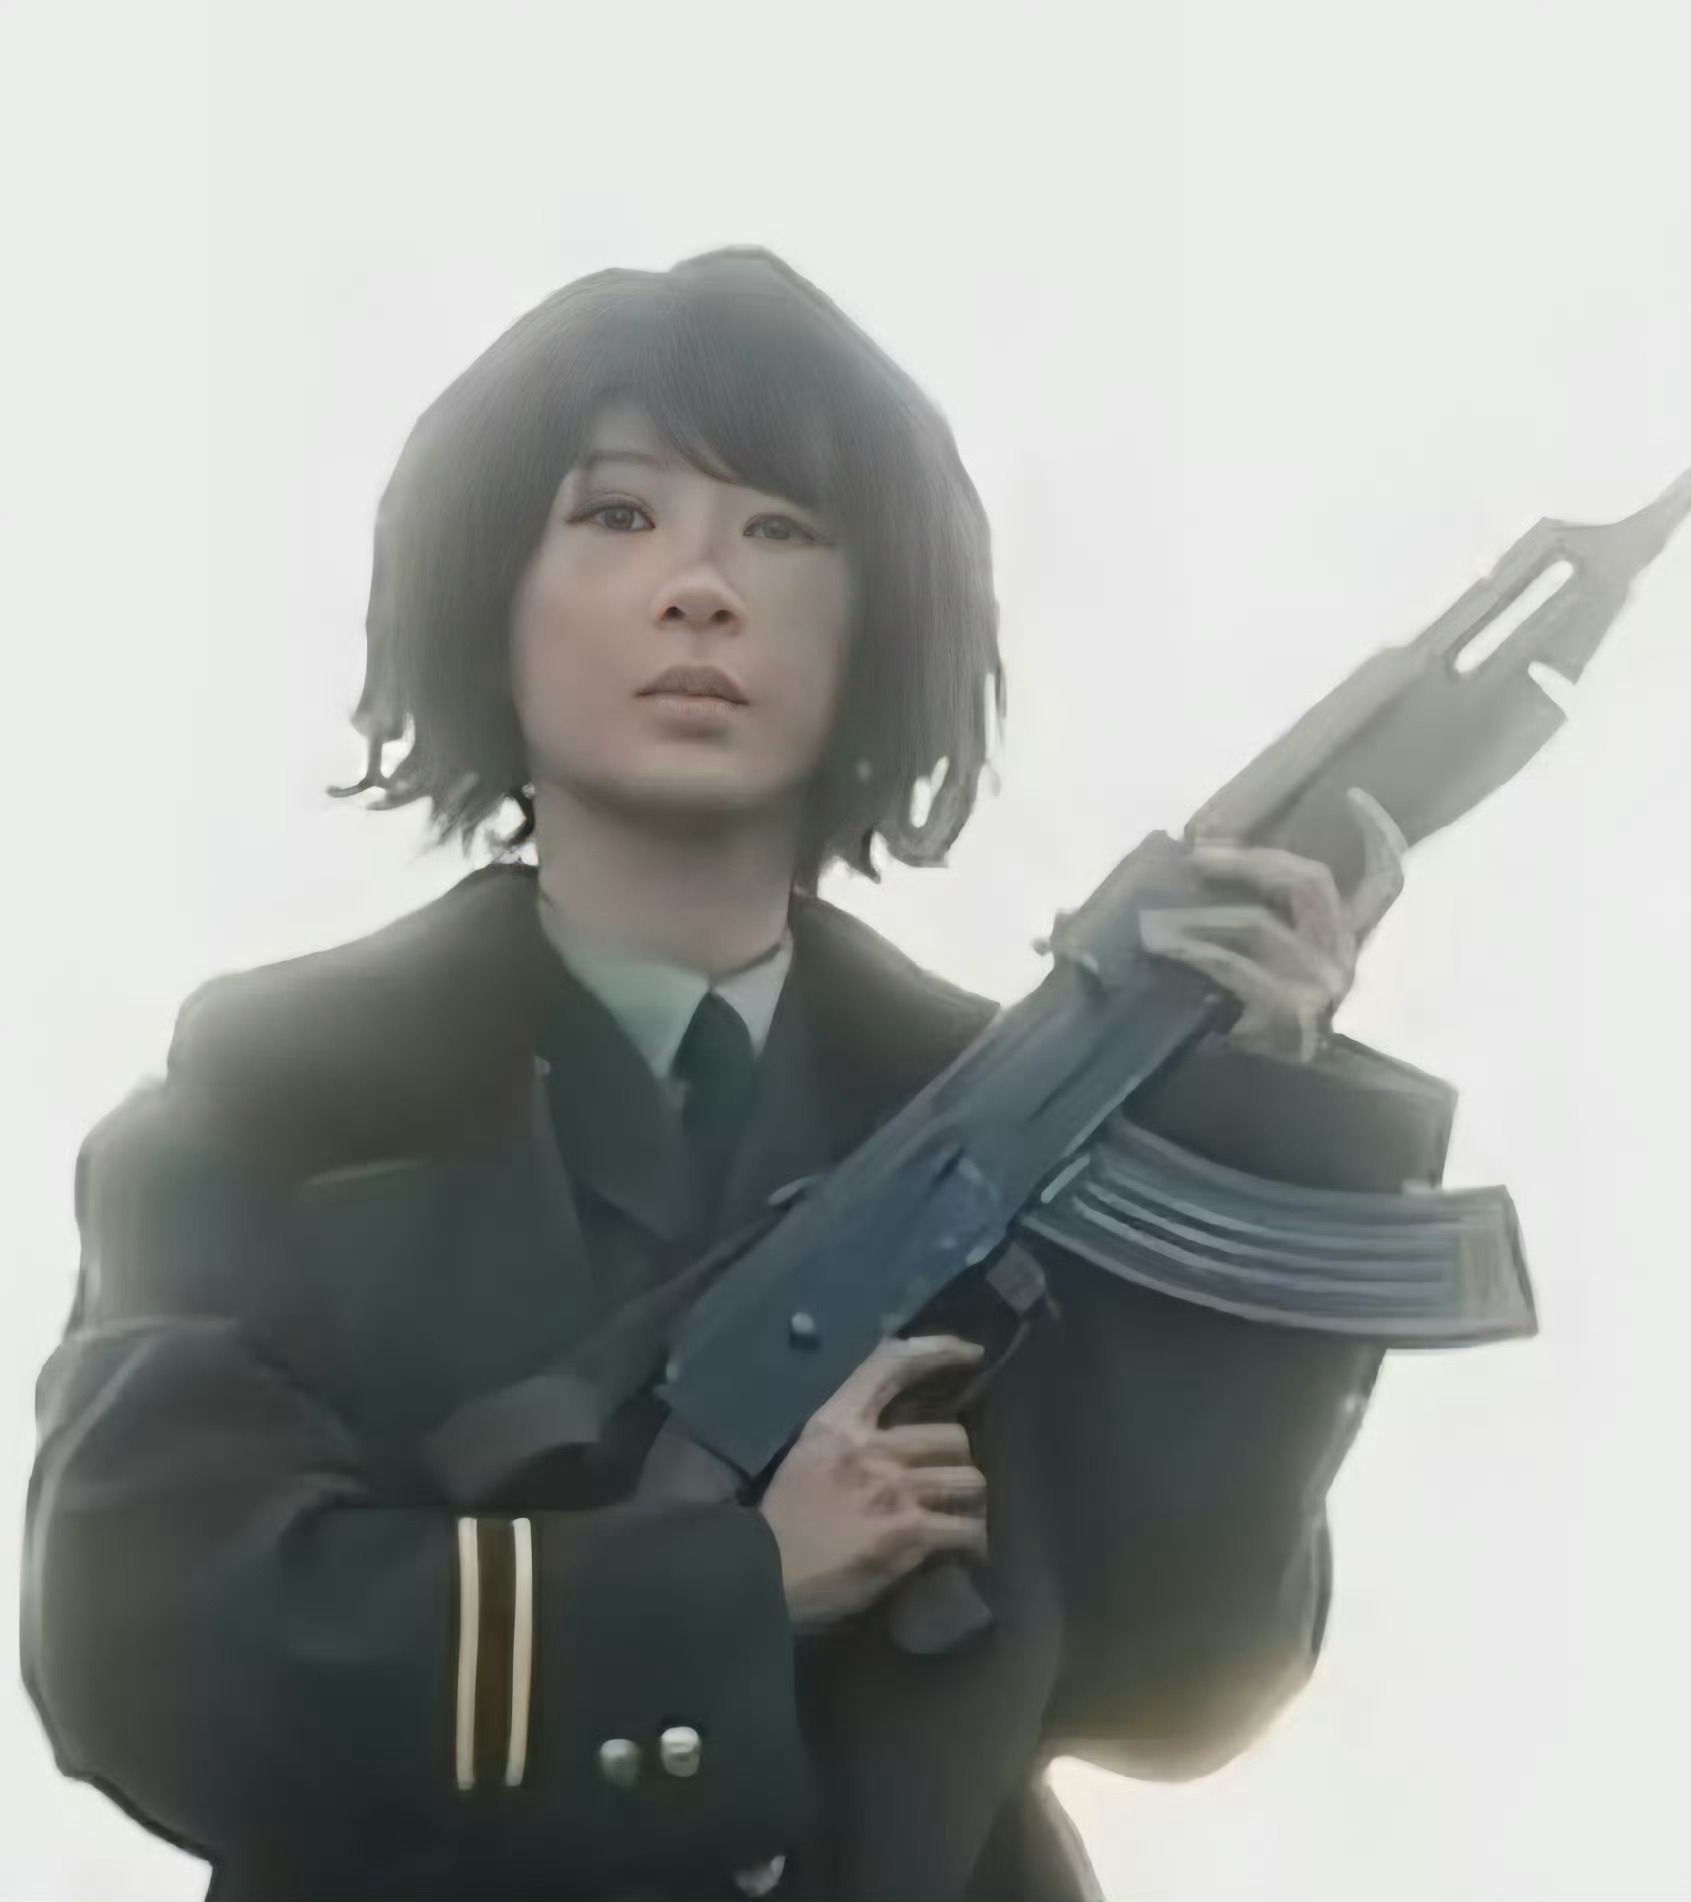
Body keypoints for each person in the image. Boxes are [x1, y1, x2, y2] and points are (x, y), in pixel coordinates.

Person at [20, 246, 1438, 1902]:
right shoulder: (282, 1101)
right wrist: (728, 1589)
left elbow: (1183, 1677)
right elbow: (141, 1635)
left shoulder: (1014, 1125)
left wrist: (1255, 1112)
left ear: (879, 617)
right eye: (618, 515)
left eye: (785, 528)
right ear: (491, 591)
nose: (701, 587)